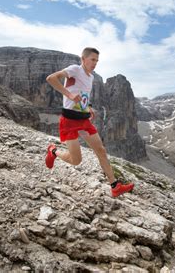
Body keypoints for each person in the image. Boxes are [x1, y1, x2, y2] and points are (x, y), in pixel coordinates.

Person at [45, 47, 134, 197]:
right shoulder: (74, 70)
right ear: (83, 59)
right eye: (92, 59)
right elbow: (51, 78)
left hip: (83, 119)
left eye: (97, 61)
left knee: (101, 150)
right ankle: (53, 151)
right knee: (76, 160)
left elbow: (84, 94)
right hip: (69, 120)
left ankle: (114, 186)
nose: (95, 63)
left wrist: (89, 107)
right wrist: (69, 94)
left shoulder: (91, 77)